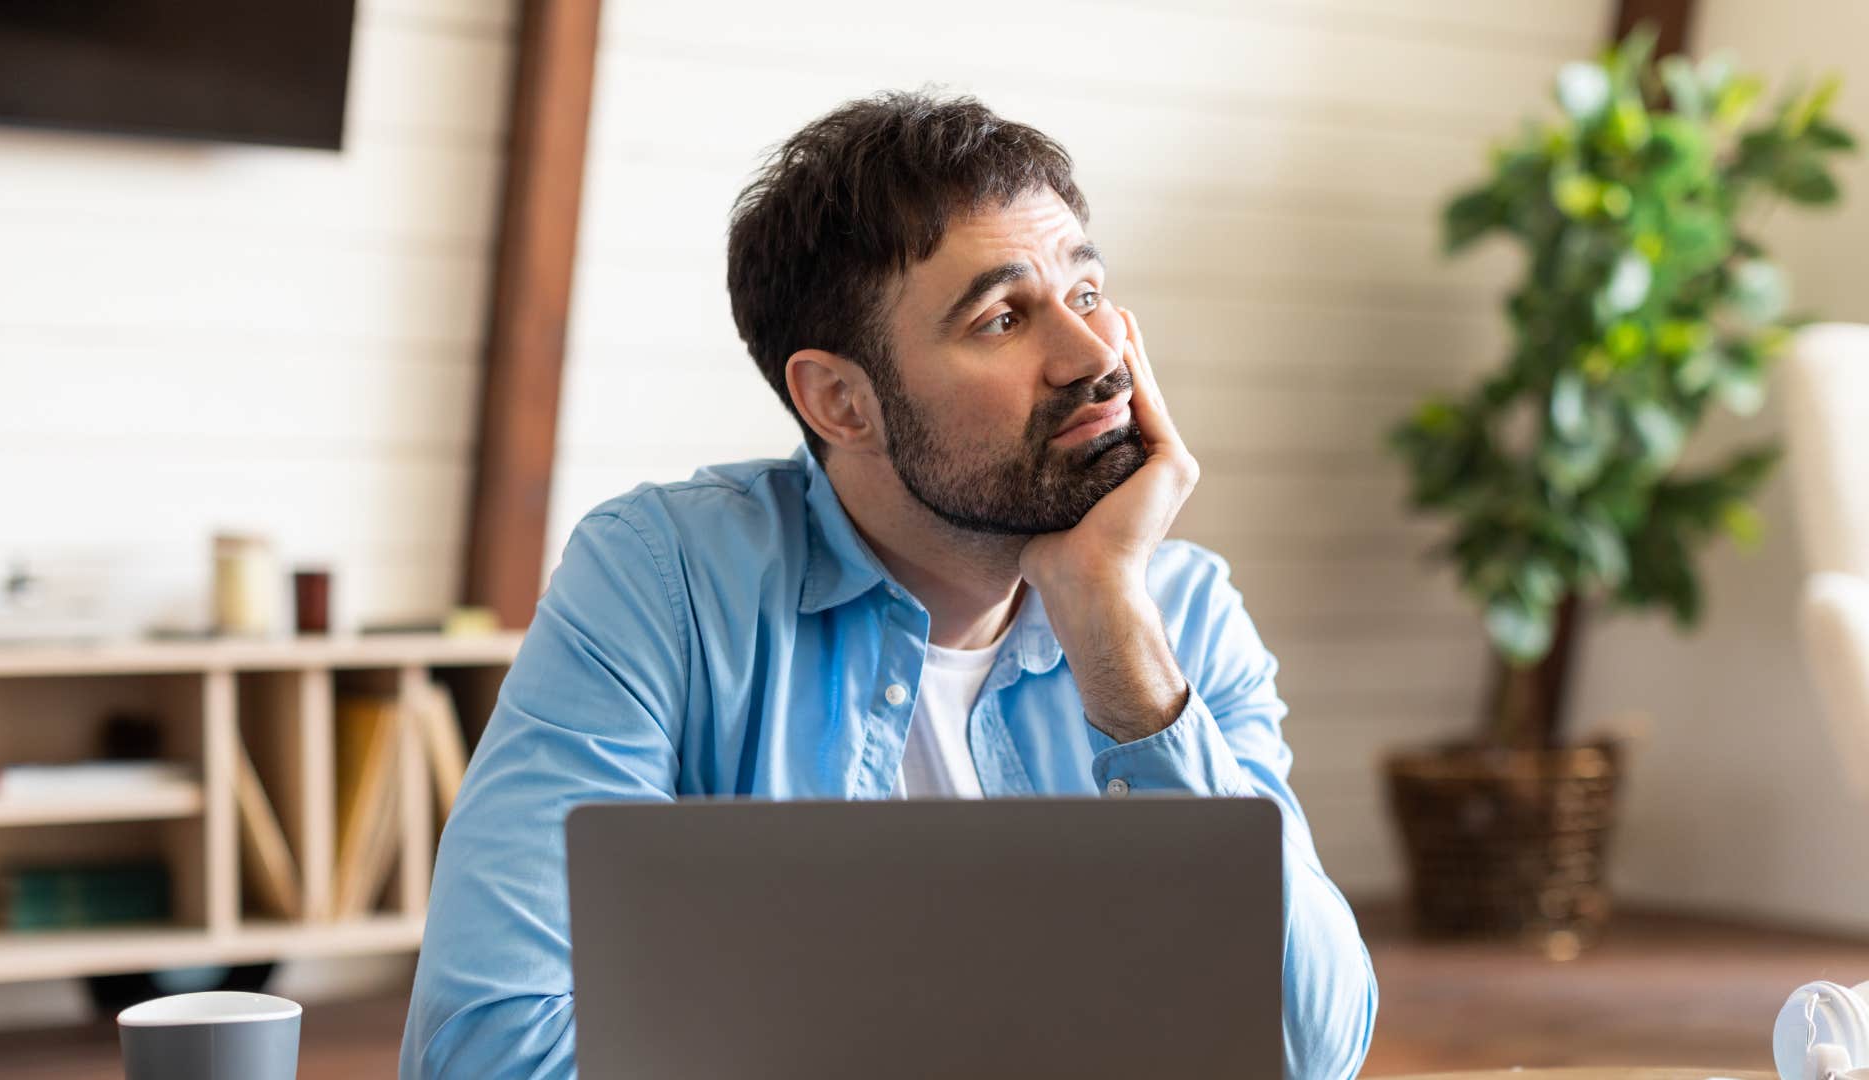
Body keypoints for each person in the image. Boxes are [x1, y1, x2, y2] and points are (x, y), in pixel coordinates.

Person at [401, 90, 1377, 1079]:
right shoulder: (665, 583)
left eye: (1086, 295)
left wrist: (1114, 629)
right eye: (1003, 318)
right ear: (840, 400)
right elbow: (485, 1047)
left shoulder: (1179, 614)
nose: (1095, 359)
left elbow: (1313, 1049)